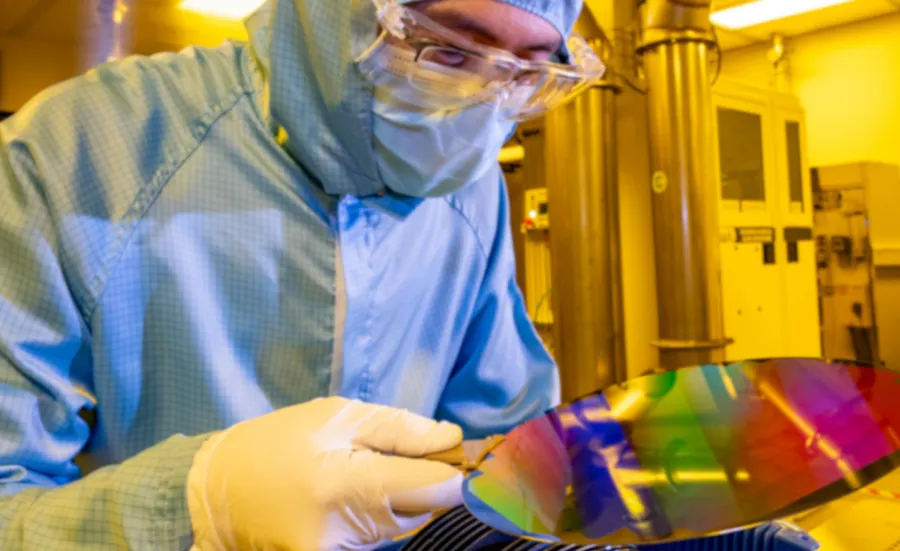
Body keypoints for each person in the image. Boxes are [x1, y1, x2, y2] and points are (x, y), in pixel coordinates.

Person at [0, 0, 603, 548]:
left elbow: (502, 449)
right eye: (448, 53)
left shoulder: (472, 192)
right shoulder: (84, 151)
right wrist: (198, 506)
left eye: (524, 73)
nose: (479, 110)